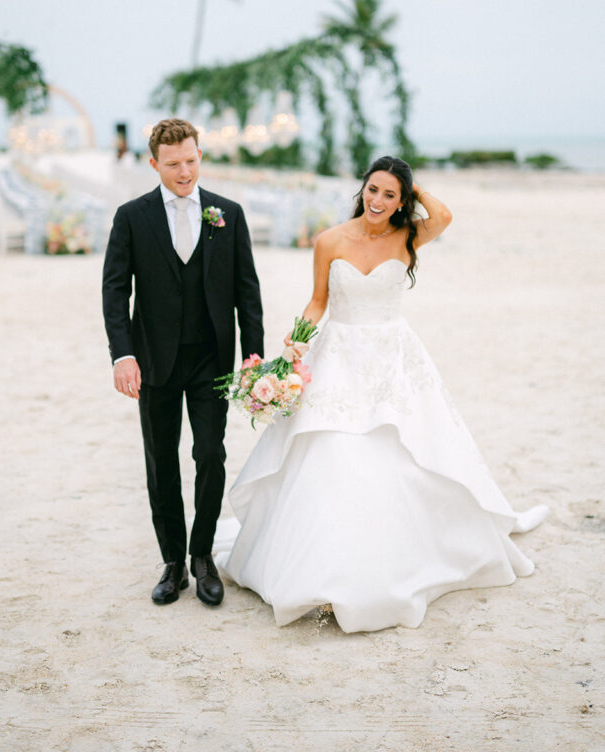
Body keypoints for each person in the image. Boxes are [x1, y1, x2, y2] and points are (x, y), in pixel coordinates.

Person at [217, 156, 547, 633]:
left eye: (390, 195)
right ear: (362, 189)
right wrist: (293, 348)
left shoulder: (409, 235)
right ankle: (322, 571)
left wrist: (412, 189)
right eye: (373, 190)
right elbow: (318, 301)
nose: (378, 201)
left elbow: (444, 217)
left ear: (402, 200)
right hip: (338, 357)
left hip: (394, 360)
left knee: (408, 451)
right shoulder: (330, 239)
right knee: (331, 453)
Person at [102, 118, 264, 608]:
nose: (184, 171)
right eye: (173, 164)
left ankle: (202, 557)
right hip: (153, 361)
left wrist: (253, 357)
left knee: (210, 455)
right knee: (161, 460)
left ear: (199, 156)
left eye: (191, 161)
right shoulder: (132, 216)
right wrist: (122, 354)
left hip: (212, 359)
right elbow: (115, 290)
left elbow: (247, 293)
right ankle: (173, 562)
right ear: (154, 164)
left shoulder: (227, 214)